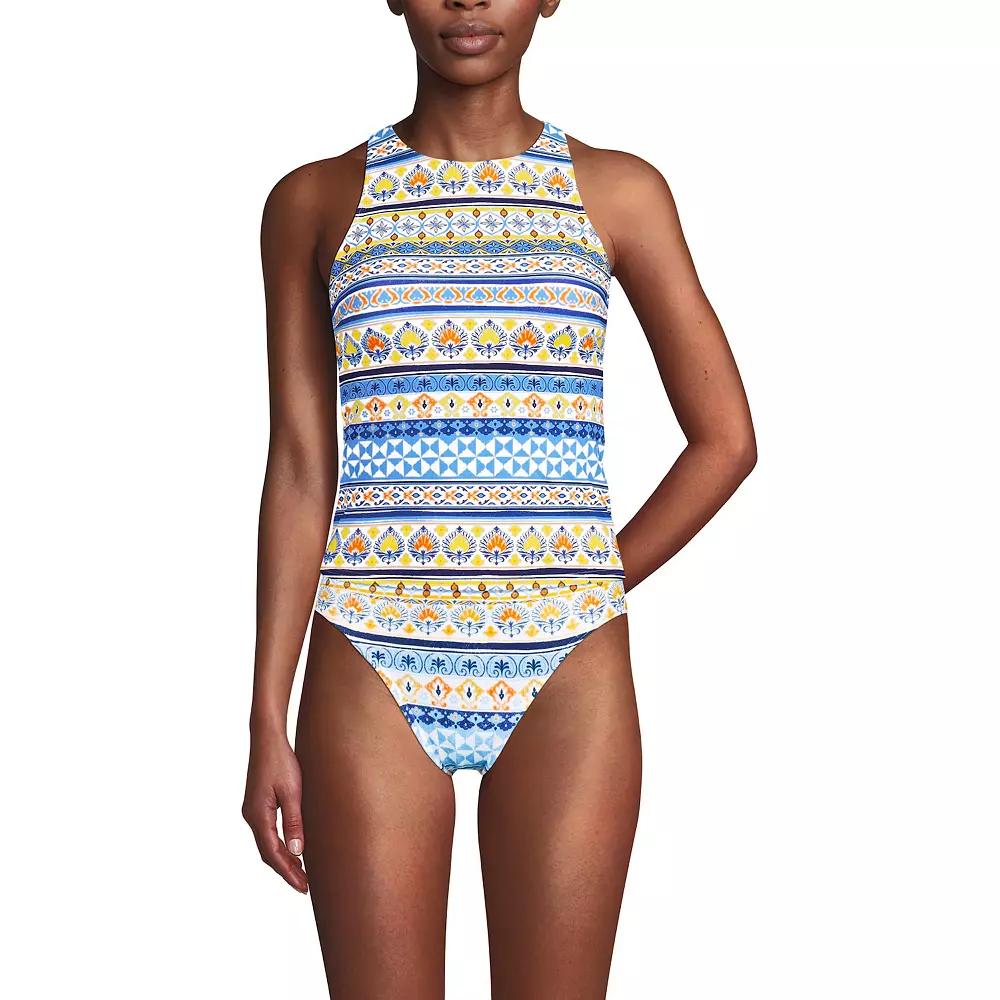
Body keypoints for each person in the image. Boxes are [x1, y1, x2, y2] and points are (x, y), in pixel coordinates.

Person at [242, 1, 756, 996]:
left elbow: (725, 440)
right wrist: (266, 715)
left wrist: (586, 577)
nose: (469, 1)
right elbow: (302, 465)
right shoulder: (314, 200)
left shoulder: (616, 191)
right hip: (371, 652)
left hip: (567, 669)